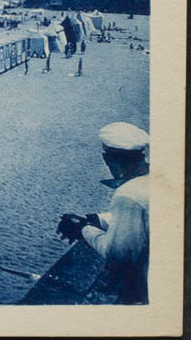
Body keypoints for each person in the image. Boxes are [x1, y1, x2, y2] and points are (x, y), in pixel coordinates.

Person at [56, 122, 150, 304]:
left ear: (106, 158)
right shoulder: (156, 179)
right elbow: (144, 216)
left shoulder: (128, 195)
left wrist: (84, 229)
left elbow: (117, 255)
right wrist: (97, 219)